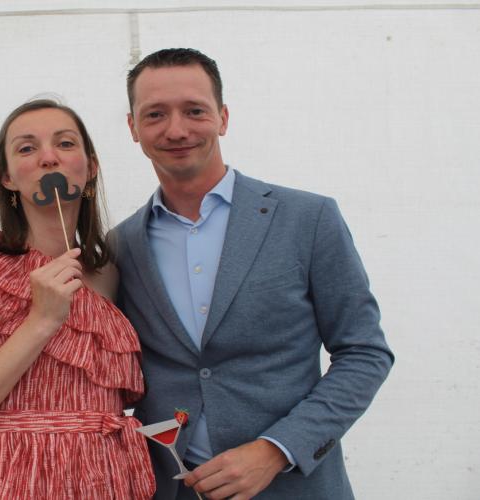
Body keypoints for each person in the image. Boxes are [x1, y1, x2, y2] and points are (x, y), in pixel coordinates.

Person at [111, 48, 394, 499]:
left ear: (223, 118)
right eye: (155, 114)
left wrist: (277, 449)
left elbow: (364, 352)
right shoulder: (121, 246)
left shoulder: (308, 219)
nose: (176, 129)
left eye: (194, 110)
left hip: (295, 487)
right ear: (133, 128)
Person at [0, 99, 155, 499]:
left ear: (91, 167)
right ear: (8, 178)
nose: (48, 157)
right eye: (27, 148)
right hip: (12, 481)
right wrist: (41, 321)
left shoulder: (111, 272)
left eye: (65, 143)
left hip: (107, 480)